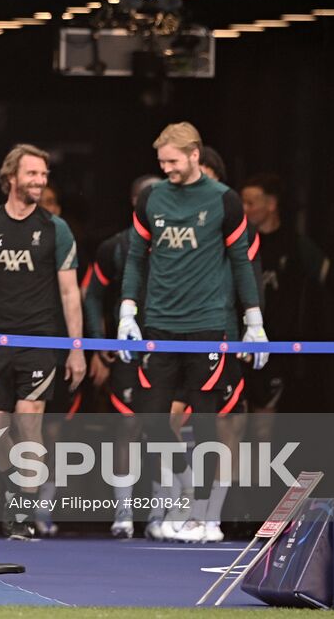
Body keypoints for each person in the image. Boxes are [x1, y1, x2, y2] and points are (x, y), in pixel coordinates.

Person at [119, 122, 264, 545]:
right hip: (159, 324)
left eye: (173, 162)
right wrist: (128, 311)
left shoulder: (224, 200)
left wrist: (253, 321)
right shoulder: (152, 197)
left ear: (195, 155)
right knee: (152, 417)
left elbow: (240, 261)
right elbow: (135, 258)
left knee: (204, 423)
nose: (167, 170)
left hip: (207, 326)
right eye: (161, 163)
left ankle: (203, 515)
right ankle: (184, 489)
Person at [0, 144, 84, 540]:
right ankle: (21, 483)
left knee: (28, 420)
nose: (40, 181)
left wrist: (76, 348)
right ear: (11, 177)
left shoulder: (56, 229)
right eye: (33, 174)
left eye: (44, 175)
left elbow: (70, 294)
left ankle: (21, 513)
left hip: (39, 340)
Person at [81, 174, 161, 538]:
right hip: (128, 349)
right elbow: (92, 295)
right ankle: (124, 514)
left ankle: (162, 514)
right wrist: (100, 345)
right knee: (126, 429)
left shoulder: (182, 245)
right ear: (135, 202)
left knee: (167, 430)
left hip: (170, 348)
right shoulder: (115, 247)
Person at [240, 173, 328, 416]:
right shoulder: (239, 246)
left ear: (271, 204)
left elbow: (330, 278)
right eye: (242, 204)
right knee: (231, 423)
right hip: (240, 343)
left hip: (277, 348)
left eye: (251, 203)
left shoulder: (296, 245)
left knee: (262, 425)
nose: (245, 210)